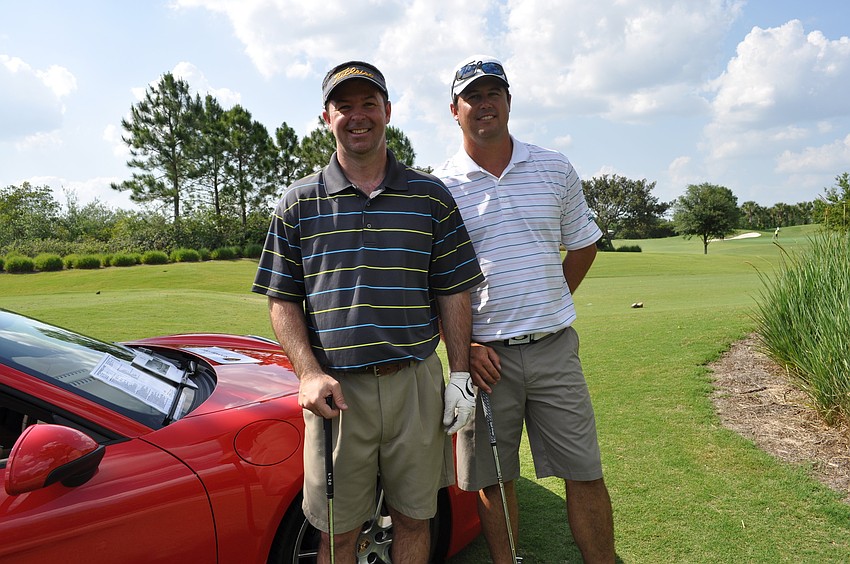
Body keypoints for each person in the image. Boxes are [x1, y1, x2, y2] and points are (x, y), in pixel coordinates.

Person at [252, 61, 483, 564]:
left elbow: (452, 290)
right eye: (345, 106)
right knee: (337, 531)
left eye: (368, 104)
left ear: (388, 112)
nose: (358, 117)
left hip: (414, 385)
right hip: (338, 391)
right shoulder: (298, 203)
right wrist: (308, 373)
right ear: (326, 117)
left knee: (415, 519)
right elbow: (282, 298)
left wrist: (461, 375)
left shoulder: (430, 196)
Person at [434, 55, 616, 564]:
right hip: (485, 361)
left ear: (509, 102)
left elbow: (582, 246)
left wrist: (550, 301)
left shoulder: (554, 167)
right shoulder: (438, 186)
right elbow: (433, 283)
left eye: (494, 93)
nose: (484, 103)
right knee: (494, 480)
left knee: (585, 472)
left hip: (555, 350)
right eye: (472, 96)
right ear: (455, 109)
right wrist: (465, 346)